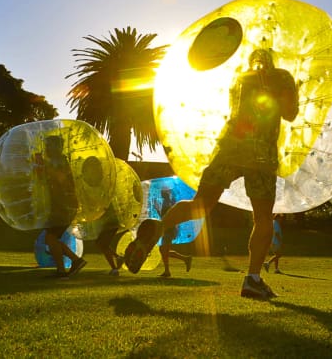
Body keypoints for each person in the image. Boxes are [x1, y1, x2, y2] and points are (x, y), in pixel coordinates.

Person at [125, 48, 298, 300]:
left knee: (201, 204)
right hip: (261, 155)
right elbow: (289, 113)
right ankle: (253, 279)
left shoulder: (241, 79)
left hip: (230, 147)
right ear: (272, 60)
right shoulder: (282, 77)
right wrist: (294, 93)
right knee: (262, 218)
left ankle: (160, 228)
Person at [36, 135, 86, 278]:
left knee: (51, 239)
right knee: (51, 239)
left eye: (48, 145)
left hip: (64, 206)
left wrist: (42, 166)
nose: (46, 148)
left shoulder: (59, 162)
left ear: (56, 147)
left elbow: (58, 179)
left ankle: (62, 270)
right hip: (62, 205)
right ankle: (76, 261)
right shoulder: (56, 161)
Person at [158, 186, 192, 278]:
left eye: (162, 192)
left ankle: (168, 271)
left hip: (169, 228)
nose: (161, 193)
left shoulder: (167, 203)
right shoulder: (169, 202)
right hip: (169, 228)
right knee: (163, 250)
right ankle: (185, 259)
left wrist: (158, 209)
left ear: (165, 194)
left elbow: (166, 216)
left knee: (163, 250)